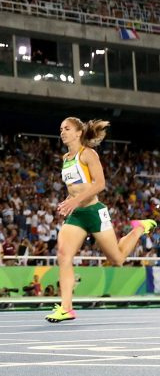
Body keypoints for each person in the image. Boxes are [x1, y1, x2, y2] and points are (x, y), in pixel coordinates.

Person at [45, 118, 156, 323]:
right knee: (63, 255)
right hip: (77, 214)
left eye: (67, 129)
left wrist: (75, 201)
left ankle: (139, 228)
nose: (62, 132)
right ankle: (66, 308)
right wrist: (68, 201)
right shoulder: (65, 157)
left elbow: (99, 184)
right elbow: (76, 187)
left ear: (78, 133)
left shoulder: (87, 154)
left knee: (118, 259)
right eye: (60, 129)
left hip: (94, 212)